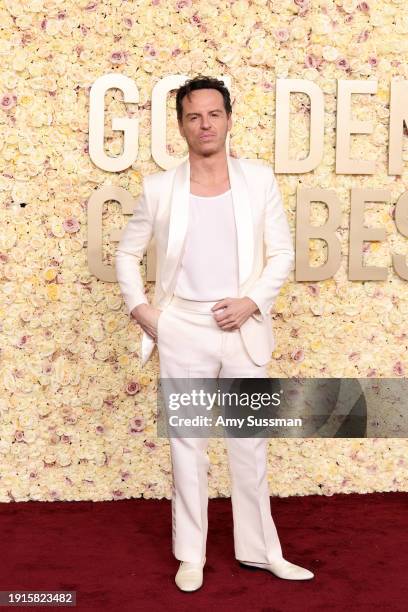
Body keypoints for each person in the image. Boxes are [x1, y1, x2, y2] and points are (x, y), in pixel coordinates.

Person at [115, 75, 314, 592]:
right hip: (182, 328)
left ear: (228, 118)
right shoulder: (159, 188)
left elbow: (283, 253)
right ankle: (191, 555)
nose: (205, 124)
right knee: (189, 445)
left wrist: (251, 302)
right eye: (193, 116)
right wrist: (143, 310)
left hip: (243, 326)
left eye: (214, 114)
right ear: (181, 125)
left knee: (249, 444)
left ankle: (259, 550)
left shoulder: (258, 179)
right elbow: (126, 252)